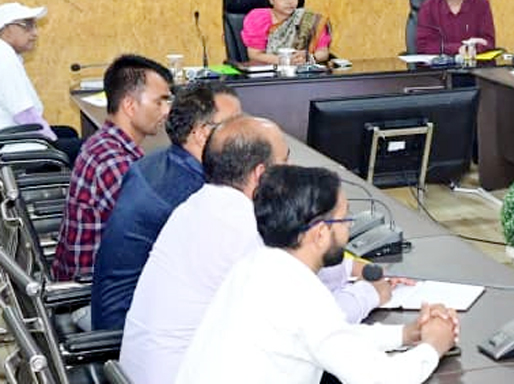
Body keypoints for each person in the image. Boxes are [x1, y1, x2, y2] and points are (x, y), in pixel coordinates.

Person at [120, 116, 391, 383]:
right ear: (262, 175)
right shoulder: (249, 229)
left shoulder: (201, 203)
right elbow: (312, 325)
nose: (292, 170)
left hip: (145, 371)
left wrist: (352, 267)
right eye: (285, 162)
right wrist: (370, 294)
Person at [177, 166, 458, 383]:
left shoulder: (255, 265)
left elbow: (334, 338)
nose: (349, 229)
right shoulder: (300, 294)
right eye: (345, 219)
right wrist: (434, 345)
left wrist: (406, 334)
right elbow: (383, 379)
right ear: (321, 233)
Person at [90, 82, 242, 330]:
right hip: (131, 328)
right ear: (202, 133)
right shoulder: (191, 198)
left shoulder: (155, 162)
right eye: (235, 124)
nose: (245, 133)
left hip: (120, 311)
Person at [52, 54, 172, 281]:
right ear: (130, 105)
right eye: (159, 102)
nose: (167, 110)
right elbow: (160, 234)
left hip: (95, 277)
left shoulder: (106, 143)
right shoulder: (115, 162)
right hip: (94, 290)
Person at [0, 2, 83, 161]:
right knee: (93, 148)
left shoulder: (7, 53)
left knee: (69, 132)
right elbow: (24, 114)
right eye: (27, 26)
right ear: (6, 28)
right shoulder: (3, 56)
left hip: (13, 135)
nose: (35, 33)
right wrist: (52, 142)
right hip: (12, 144)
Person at [241, 0, 331, 65]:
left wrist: (309, 57)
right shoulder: (258, 18)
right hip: (268, 71)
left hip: (302, 71)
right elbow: (255, 55)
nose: (289, 1)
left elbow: (323, 52)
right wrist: (285, 60)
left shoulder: (309, 20)